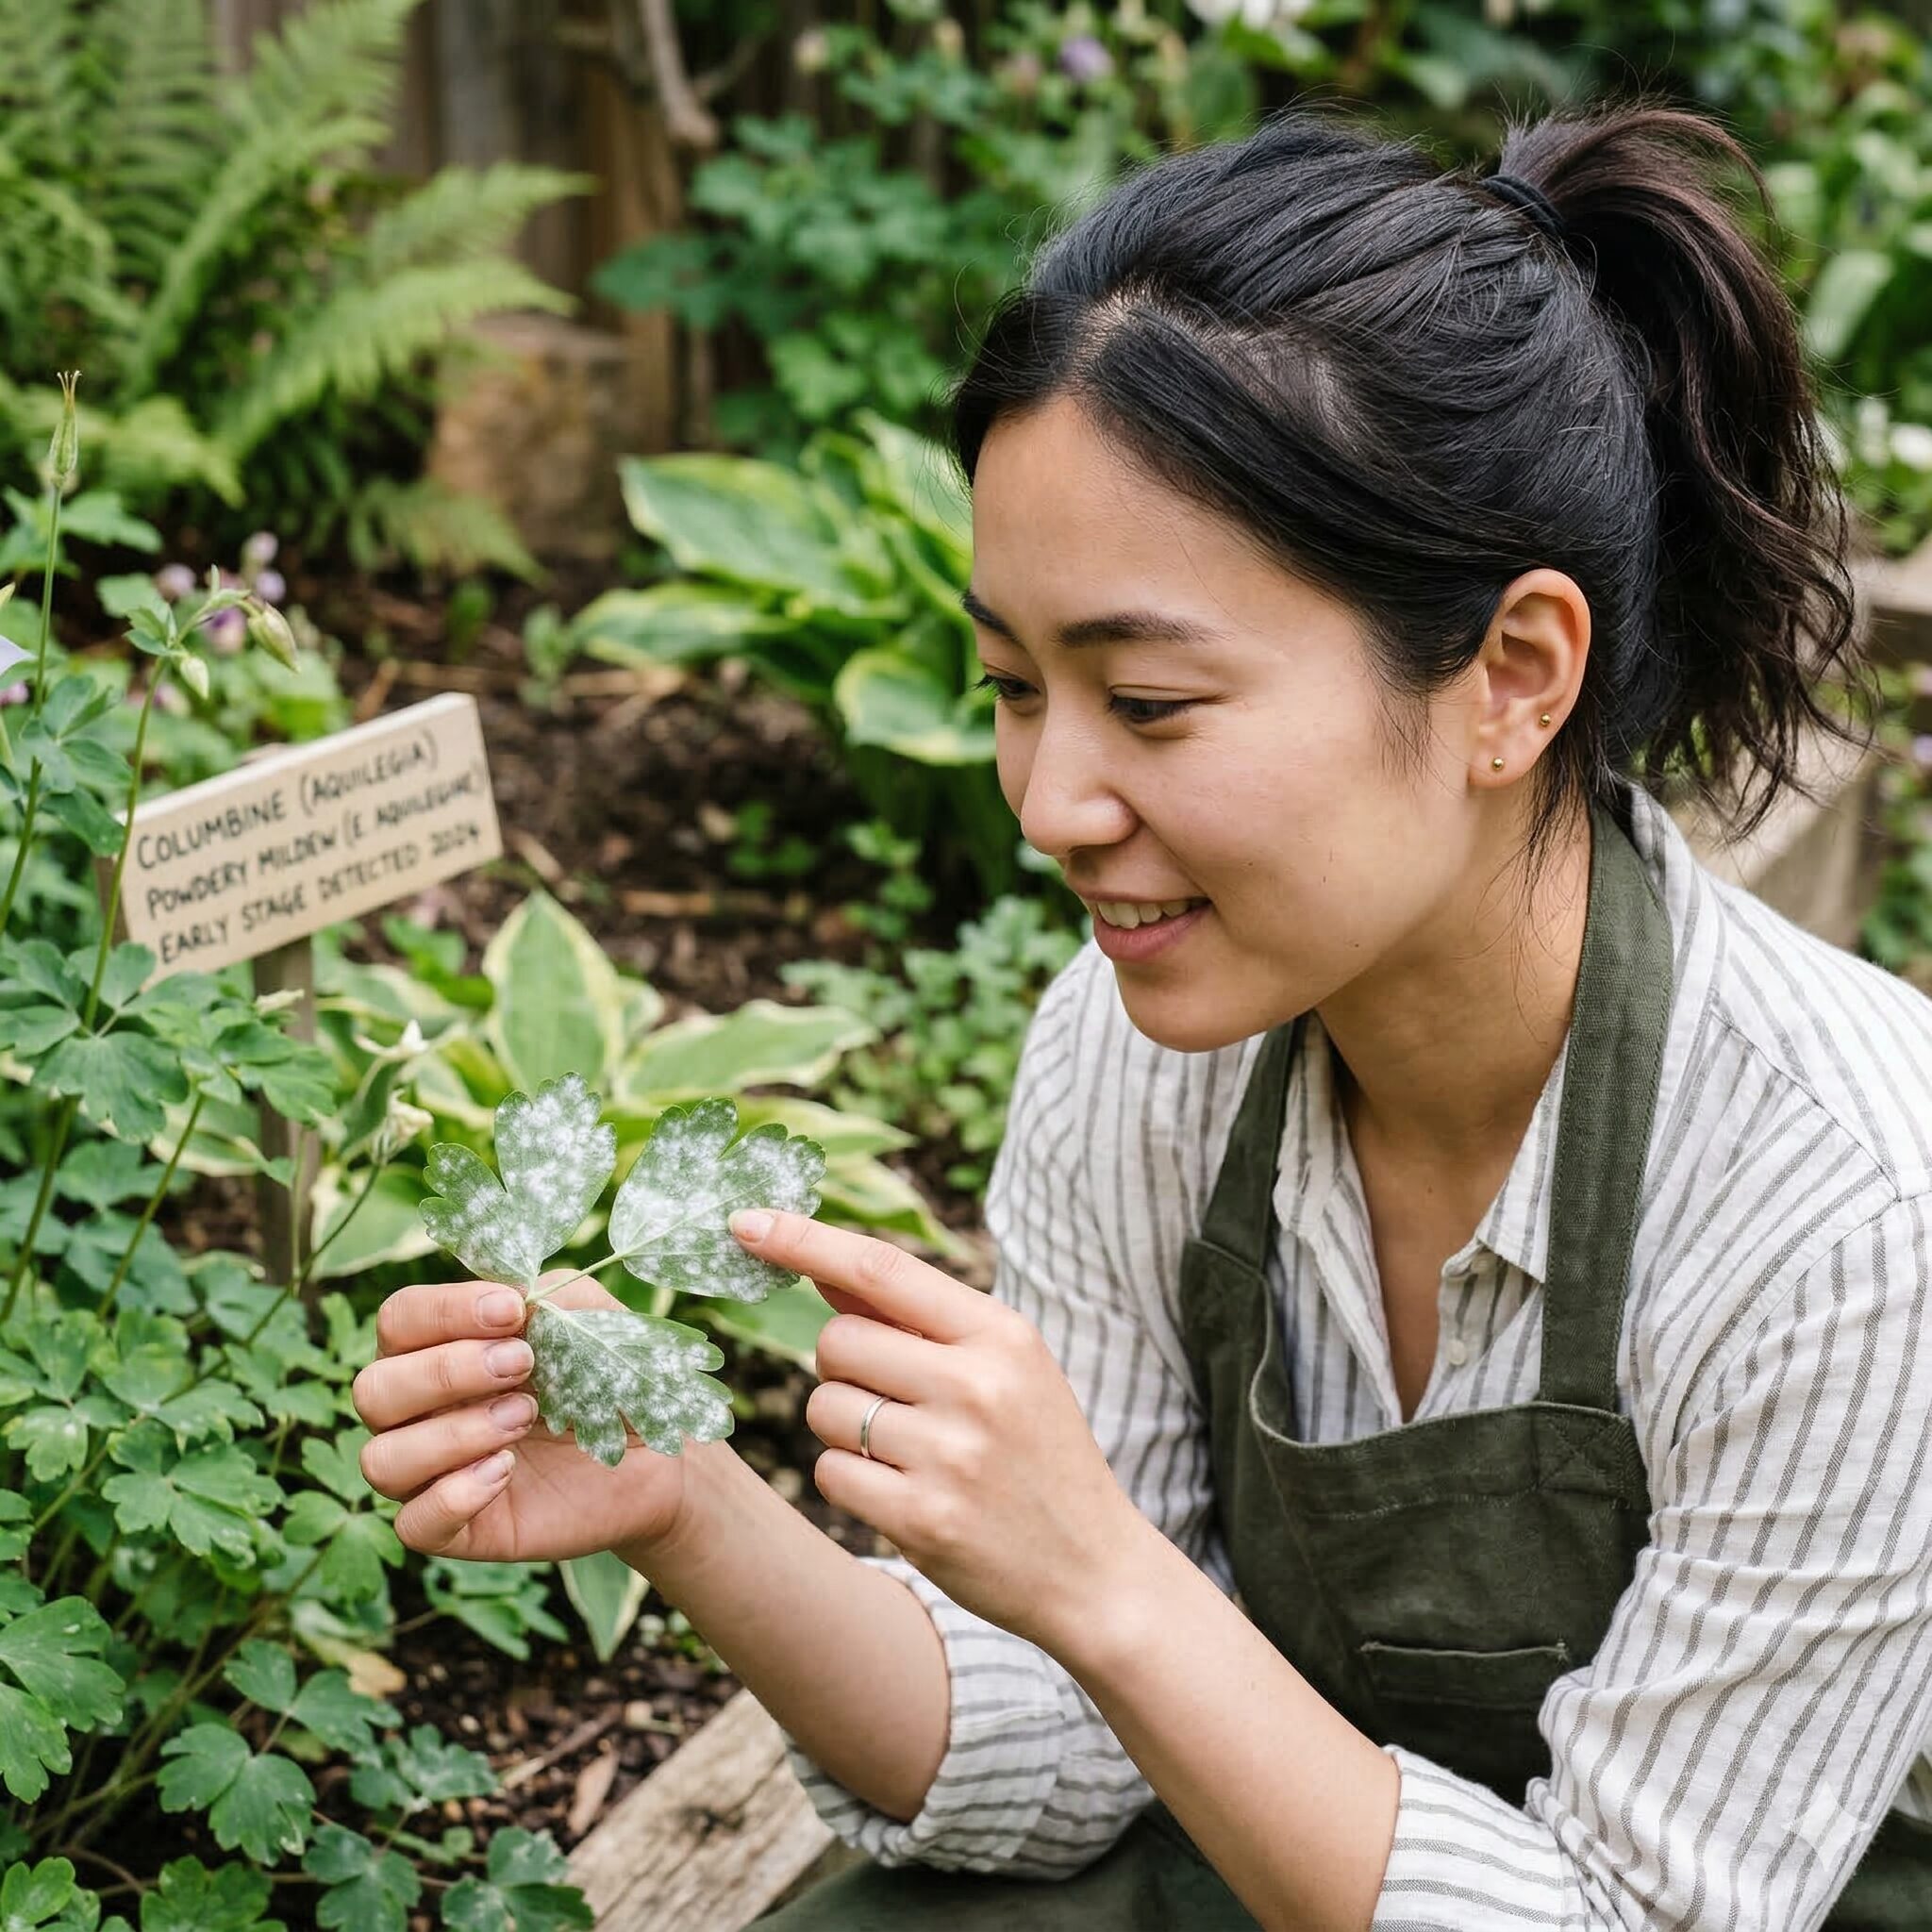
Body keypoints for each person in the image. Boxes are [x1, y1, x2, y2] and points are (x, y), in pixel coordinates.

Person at [351, 94, 1932, 1930]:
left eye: (1152, 704)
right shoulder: (1134, 1055)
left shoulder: (1848, 1212)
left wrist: (1103, 1575)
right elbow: (1075, 1749)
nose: (1047, 803)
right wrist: (687, 1506)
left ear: (1512, 677)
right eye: (1012, 686)